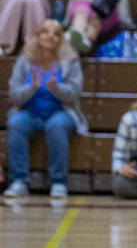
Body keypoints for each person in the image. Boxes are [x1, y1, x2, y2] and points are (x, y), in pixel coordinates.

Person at [3, 21, 87, 200]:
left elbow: (74, 93)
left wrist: (56, 88)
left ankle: (58, 182)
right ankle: (19, 181)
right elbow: (14, 94)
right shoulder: (25, 59)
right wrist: (32, 88)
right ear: (37, 36)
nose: (50, 36)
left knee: (56, 126)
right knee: (16, 123)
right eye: (45, 32)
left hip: (62, 112)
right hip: (29, 112)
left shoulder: (70, 59)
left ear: (61, 39)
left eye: (56, 33)